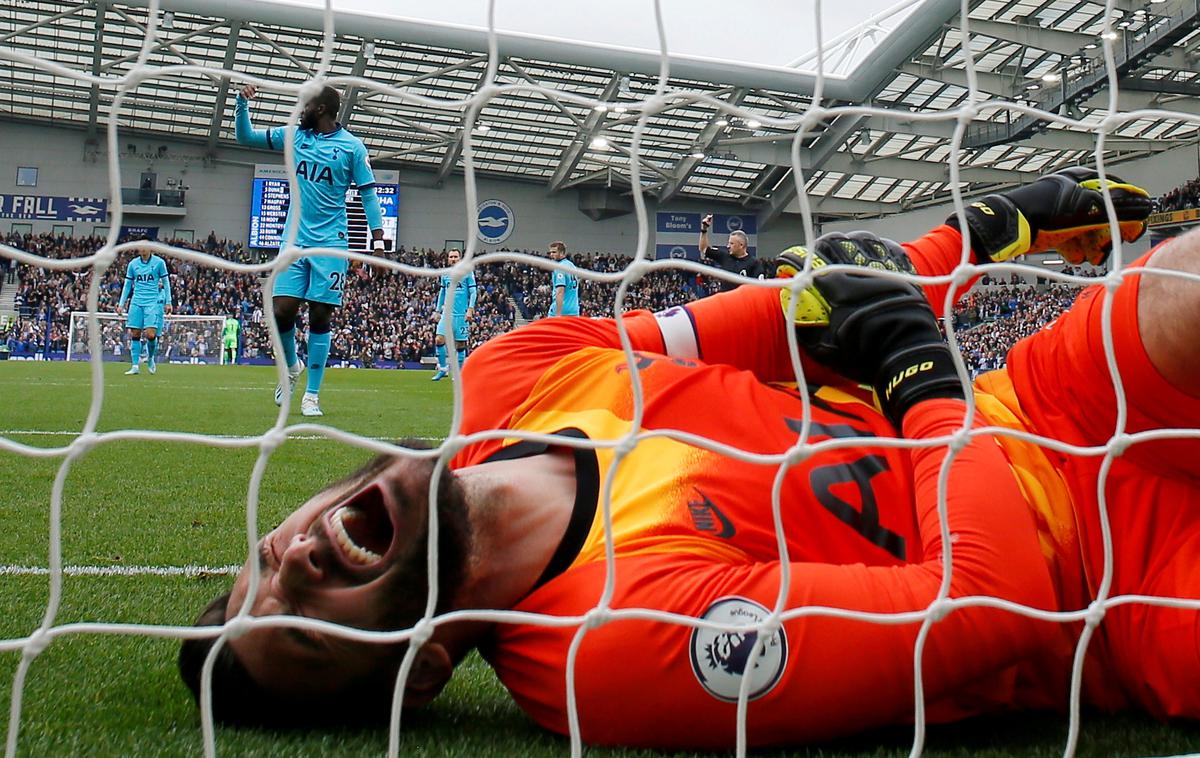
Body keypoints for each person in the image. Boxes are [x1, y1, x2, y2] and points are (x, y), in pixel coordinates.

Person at [179, 170, 1197, 749]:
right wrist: (923, 382)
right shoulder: (605, 654)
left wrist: (970, 233)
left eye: (255, 570)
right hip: (1112, 599)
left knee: (1177, 292)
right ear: (427, 670)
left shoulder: (517, 369)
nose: (293, 565)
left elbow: (821, 309)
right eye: (306, 628)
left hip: (1043, 400)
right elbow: (995, 600)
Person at [233, 82, 388, 417]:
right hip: (293, 242)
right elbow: (246, 138)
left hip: (331, 241)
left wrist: (378, 241)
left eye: (305, 105)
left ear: (320, 109)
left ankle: (312, 396)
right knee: (281, 312)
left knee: (320, 315)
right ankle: (291, 368)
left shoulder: (352, 148)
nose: (299, 110)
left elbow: (368, 193)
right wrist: (241, 103)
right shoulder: (295, 136)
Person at [116, 244, 171, 375]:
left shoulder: (159, 263)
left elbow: (166, 282)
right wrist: (121, 303)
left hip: (152, 302)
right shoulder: (133, 264)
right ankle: (135, 366)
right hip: (136, 302)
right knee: (135, 334)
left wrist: (168, 301)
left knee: (151, 335)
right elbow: (128, 285)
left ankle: (150, 358)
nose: (143, 249)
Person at [431, 249, 476, 382]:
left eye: (456, 256)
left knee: (460, 344)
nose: (453, 259)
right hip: (447, 314)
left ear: (460, 258)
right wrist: (437, 311)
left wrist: (470, 309)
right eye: (451, 257)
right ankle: (443, 369)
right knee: (439, 339)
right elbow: (442, 293)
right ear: (448, 259)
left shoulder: (467, 273)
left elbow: (473, 292)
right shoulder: (445, 274)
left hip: (461, 315)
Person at [698, 213, 768, 291]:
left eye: (731, 243)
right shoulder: (724, 256)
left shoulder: (754, 263)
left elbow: (760, 287)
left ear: (741, 245)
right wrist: (704, 229)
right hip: (725, 301)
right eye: (728, 243)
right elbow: (703, 248)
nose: (728, 246)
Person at [546, 240, 579, 317]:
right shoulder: (572, 266)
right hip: (574, 310)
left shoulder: (559, 268)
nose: (551, 254)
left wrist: (558, 314)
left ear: (561, 253)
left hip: (561, 309)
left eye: (554, 252)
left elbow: (560, 291)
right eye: (550, 252)